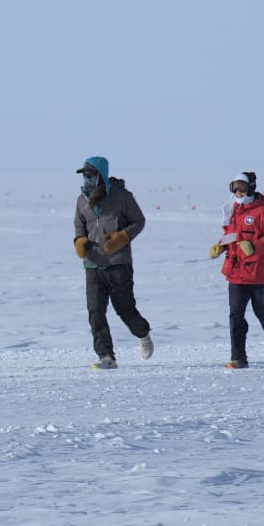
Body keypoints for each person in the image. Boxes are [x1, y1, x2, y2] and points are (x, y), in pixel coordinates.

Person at [73, 156, 153, 369]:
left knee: (125, 308)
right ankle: (106, 356)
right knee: (95, 311)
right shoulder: (81, 200)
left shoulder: (122, 197)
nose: (86, 179)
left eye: (90, 174)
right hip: (92, 263)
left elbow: (139, 221)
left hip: (118, 263)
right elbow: (79, 226)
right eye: (84, 175)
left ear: (101, 175)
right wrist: (79, 241)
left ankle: (142, 333)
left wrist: (123, 237)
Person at [208, 171, 264, 369]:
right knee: (235, 315)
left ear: (251, 187)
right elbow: (231, 236)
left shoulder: (263, 212)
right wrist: (220, 247)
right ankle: (238, 358)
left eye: (241, 188)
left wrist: (254, 247)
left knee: (263, 312)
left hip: (260, 273)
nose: (237, 192)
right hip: (236, 272)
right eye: (234, 188)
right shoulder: (231, 210)